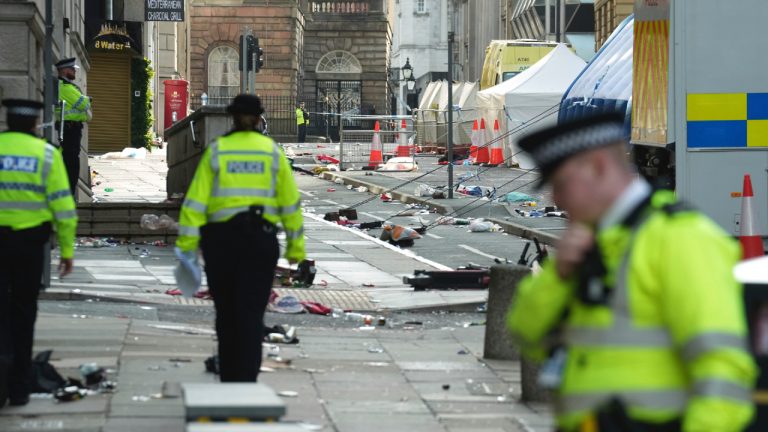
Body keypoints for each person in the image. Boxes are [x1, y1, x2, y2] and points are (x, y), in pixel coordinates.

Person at [506, 114, 756, 432]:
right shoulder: (591, 242)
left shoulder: (678, 239)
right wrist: (558, 275)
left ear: (598, 166)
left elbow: (724, 371)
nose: (555, 198)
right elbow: (524, 334)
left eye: (561, 183)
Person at [176, 94, 305, 382]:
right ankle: (247, 378)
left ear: (232, 118)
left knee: (226, 311)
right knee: (251, 312)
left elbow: (195, 203)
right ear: (260, 119)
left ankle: (230, 374)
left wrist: (186, 246)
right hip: (260, 241)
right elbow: (289, 203)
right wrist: (296, 246)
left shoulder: (218, 151)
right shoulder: (271, 152)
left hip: (221, 241)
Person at [0, 99, 77, 408]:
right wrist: (68, 250)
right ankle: (18, 388)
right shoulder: (47, 154)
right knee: (23, 311)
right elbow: (63, 206)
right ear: (34, 123)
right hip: (29, 246)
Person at [55, 57, 92, 197]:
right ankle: (69, 193)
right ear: (64, 71)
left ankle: (69, 192)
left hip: (70, 128)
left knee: (71, 161)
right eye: (71, 69)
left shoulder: (67, 86)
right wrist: (88, 99)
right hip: (69, 129)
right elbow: (84, 104)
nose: (74, 72)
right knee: (71, 163)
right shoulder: (65, 87)